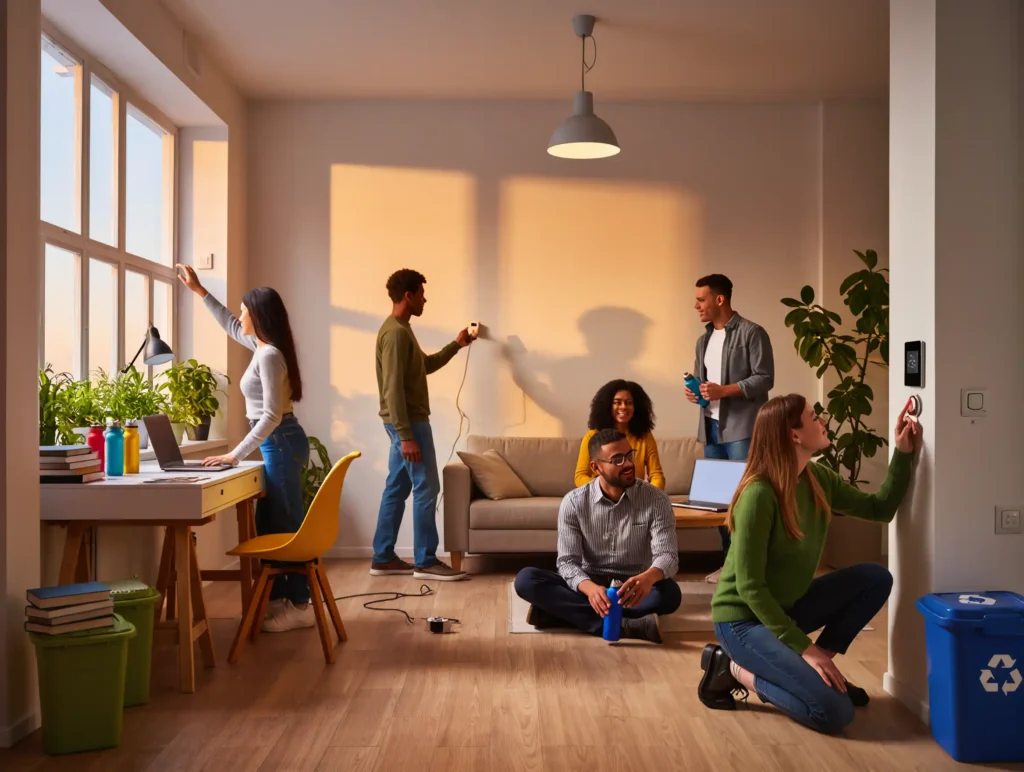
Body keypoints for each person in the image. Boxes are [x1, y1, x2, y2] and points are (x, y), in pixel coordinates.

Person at [698, 394, 918, 734]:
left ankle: (821, 670)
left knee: (874, 578)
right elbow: (750, 587)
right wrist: (805, 647)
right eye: (814, 416)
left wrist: (903, 453)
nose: (823, 421)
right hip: (742, 621)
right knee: (834, 712)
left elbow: (880, 509)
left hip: (785, 608)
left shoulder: (818, 478)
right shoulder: (759, 494)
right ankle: (733, 670)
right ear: (794, 435)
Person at [176, 264, 314, 633]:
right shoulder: (264, 347)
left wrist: (233, 455)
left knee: (286, 526)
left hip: (279, 439)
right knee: (270, 521)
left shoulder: (269, 356)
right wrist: (200, 290)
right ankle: (280, 598)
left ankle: (301, 606)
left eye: (244, 310)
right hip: (278, 441)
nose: (240, 316)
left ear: (258, 315)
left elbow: (269, 415)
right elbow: (229, 325)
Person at [514, 429, 682, 644]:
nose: (629, 464)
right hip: (589, 582)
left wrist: (648, 578)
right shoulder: (574, 502)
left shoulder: (656, 499)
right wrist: (591, 589)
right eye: (617, 460)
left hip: (632, 586)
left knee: (669, 595)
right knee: (527, 579)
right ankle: (624, 625)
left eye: (630, 455)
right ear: (596, 468)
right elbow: (567, 562)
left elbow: (667, 555)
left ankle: (560, 612)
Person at [370, 269, 473, 580]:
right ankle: (426, 560)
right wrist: (405, 435)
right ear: (408, 296)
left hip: (405, 423)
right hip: (409, 423)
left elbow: (423, 366)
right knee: (427, 487)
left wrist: (456, 345)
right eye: (422, 294)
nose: (425, 299)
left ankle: (383, 556)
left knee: (397, 487)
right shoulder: (396, 334)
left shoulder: (401, 330)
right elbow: (392, 388)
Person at [686, 274, 774, 583]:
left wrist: (724, 390)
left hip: (743, 430)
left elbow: (764, 378)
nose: (696, 305)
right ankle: (729, 565)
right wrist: (696, 392)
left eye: (701, 299)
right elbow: (704, 383)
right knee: (717, 503)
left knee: (747, 501)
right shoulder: (703, 340)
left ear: (719, 299)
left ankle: (749, 568)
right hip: (711, 429)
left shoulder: (752, 333)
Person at [574, 379, 665, 490]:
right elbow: (580, 476)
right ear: (607, 406)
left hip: (635, 498)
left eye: (629, 403)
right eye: (617, 402)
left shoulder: (645, 436)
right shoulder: (592, 436)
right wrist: (604, 491)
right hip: (602, 497)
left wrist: (650, 495)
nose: (623, 407)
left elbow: (656, 475)